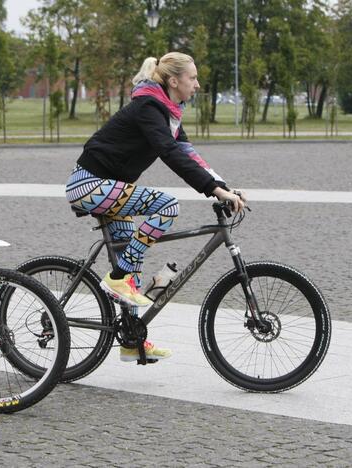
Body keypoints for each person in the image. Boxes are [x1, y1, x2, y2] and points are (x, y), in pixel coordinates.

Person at [65, 52, 246, 362]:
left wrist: (224, 188)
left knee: (132, 262)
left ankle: (131, 339)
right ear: (174, 81)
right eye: (193, 78)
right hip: (88, 184)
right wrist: (211, 190)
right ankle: (116, 277)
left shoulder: (171, 114)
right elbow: (170, 153)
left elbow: (189, 155)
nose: (198, 84)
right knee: (166, 206)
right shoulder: (150, 108)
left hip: (112, 188)